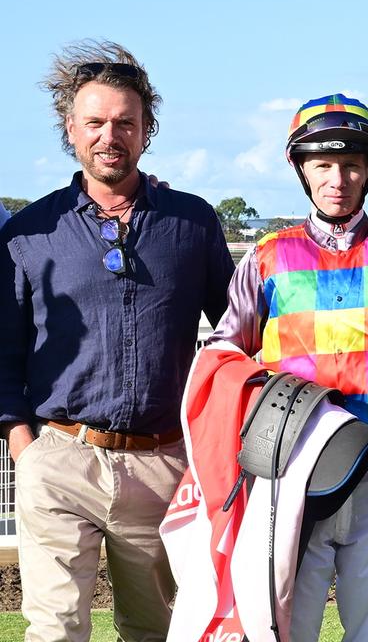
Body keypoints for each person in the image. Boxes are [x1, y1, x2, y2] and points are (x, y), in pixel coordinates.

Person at [0, 41, 234, 641]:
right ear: (70, 130)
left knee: (155, 629)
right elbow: (4, 352)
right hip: (59, 457)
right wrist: (26, 447)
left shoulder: (193, 223)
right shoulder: (29, 233)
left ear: (146, 128)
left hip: (163, 465)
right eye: (96, 122)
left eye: (126, 123)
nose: (112, 136)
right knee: (54, 630)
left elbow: (241, 332)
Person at [209, 94, 368, 640]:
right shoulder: (267, 258)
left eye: (350, 165)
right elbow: (226, 363)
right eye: (322, 165)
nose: (337, 179)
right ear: (302, 170)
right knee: (288, 631)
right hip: (293, 478)